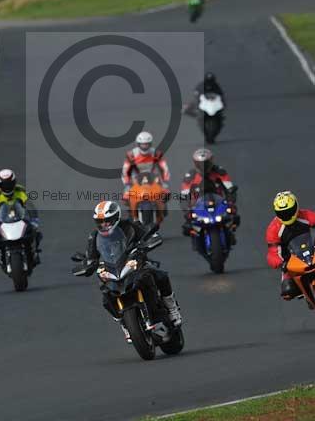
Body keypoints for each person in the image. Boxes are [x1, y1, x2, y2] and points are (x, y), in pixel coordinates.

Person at [75, 201, 182, 342]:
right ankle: (123, 323)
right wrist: (87, 265)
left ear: (116, 218)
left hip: (135, 262)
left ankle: (172, 308)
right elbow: (91, 257)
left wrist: (148, 242)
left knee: (160, 275)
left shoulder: (130, 226)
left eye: (107, 221)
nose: (104, 225)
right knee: (106, 297)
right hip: (112, 269)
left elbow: (149, 234)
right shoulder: (94, 236)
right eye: (100, 222)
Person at [266, 191, 315, 302]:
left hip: (311, 251)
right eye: (283, 213)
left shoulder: (306, 215)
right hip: (290, 262)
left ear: (296, 207)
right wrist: (281, 263)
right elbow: (272, 252)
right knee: (287, 290)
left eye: (289, 211)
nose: (287, 215)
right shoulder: (273, 229)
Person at [0, 169, 42, 262]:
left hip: (20, 217)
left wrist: (34, 219)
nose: (7, 187)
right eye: (4, 185)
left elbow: (30, 206)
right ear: (0, 185)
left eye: (9, 184)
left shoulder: (20, 191)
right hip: (3, 219)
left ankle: (34, 251)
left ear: (14, 182)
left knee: (36, 232)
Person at [181, 148, 239, 236]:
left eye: (206, 163)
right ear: (195, 163)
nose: (203, 166)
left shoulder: (219, 171)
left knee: (234, 214)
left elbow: (229, 186)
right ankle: (196, 235)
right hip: (199, 204)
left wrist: (230, 200)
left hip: (218, 201)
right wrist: (187, 208)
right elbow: (184, 192)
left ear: (211, 161)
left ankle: (230, 231)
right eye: (200, 164)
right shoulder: (190, 175)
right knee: (188, 223)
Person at [122, 131, 170, 196]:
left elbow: (165, 168)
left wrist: (165, 182)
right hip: (136, 178)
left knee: (166, 194)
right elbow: (125, 171)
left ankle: (161, 205)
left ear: (150, 144)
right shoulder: (131, 155)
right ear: (138, 144)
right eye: (142, 144)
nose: (144, 146)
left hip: (153, 177)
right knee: (126, 196)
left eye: (146, 144)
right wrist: (127, 184)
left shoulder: (156, 153)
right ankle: (133, 204)